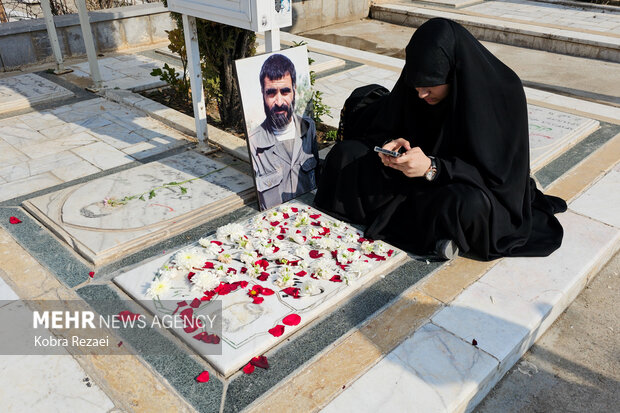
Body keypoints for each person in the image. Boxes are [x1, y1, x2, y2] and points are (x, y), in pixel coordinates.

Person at [314, 18, 566, 261]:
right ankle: (437, 235)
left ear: (455, 72)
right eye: (416, 86)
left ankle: (434, 231)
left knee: (467, 205)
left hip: (462, 184)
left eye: (430, 86)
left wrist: (433, 168)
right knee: (346, 155)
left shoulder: (503, 92)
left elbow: (498, 177)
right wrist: (392, 145)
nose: (421, 94)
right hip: (410, 179)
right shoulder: (416, 88)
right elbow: (390, 121)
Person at [248, 53, 318, 210]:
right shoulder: (254, 143)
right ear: (262, 94)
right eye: (271, 93)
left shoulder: (308, 128)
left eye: (285, 91)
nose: (279, 102)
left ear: (294, 90)